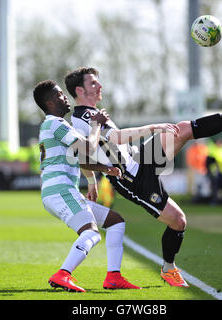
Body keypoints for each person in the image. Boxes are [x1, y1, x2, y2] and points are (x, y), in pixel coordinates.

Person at [65, 67, 222, 287]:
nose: (100, 85)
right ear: (79, 90)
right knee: (178, 222)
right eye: (93, 83)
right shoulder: (86, 117)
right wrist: (154, 127)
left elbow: (87, 153)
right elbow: (116, 138)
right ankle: (168, 268)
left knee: (182, 129)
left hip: (140, 158)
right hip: (132, 179)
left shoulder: (89, 115)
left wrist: (93, 181)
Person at [33, 80, 141, 292]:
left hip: (60, 191)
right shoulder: (56, 124)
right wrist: (96, 124)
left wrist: (104, 169)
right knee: (91, 233)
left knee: (115, 222)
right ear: (50, 102)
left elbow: (78, 157)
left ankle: (113, 277)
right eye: (59, 95)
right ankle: (63, 274)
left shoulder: (54, 125)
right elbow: (89, 147)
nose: (65, 97)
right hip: (61, 190)